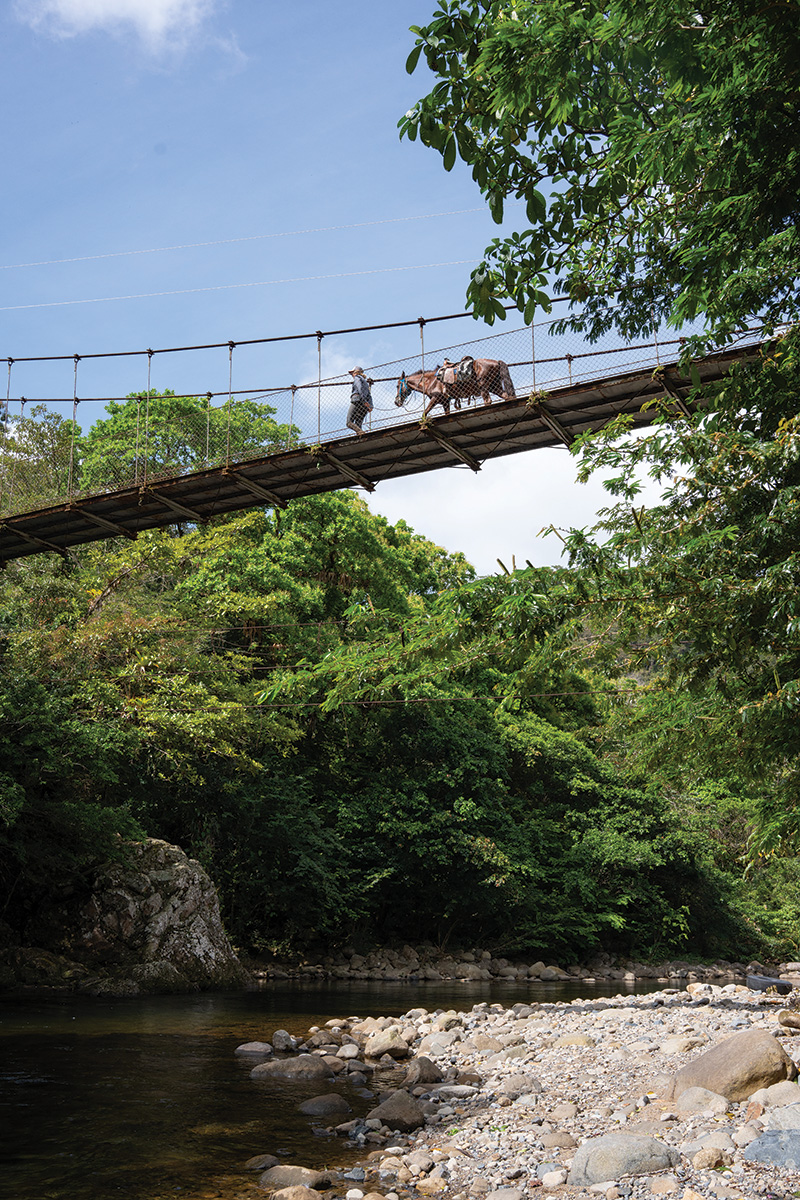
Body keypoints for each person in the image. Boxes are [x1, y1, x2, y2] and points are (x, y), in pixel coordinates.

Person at [346, 367, 374, 435]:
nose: (352, 375)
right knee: (358, 424)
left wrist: (363, 400)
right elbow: (369, 395)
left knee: (349, 422)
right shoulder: (365, 382)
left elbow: (359, 388)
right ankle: (360, 435)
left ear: (356, 372)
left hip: (357, 400)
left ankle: (362, 433)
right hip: (365, 405)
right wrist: (370, 405)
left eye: (352, 373)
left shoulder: (357, 378)